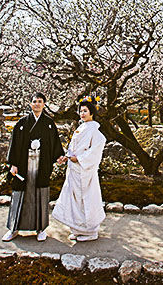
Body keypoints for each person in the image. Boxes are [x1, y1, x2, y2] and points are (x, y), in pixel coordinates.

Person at [2, 92, 64, 242]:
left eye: (40, 101)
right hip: (23, 163)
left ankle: (40, 229)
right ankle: (14, 228)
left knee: (40, 194)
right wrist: (13, 163)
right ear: (30, 104)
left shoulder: (49, 124)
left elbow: (55, 143)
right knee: (19, 194)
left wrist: (59, 156)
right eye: (34, 101)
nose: (37, 104)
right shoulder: (22, 123)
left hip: (41, 164)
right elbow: (14, 144)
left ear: (44, 104)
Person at [52, 96, 106, 241]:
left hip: (85, 171)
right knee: (74, 199)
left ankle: (90, 231)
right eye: (81, 111)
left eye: (85, 111)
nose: (82, 114)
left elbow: (97, 148)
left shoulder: (95, 130)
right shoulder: (81, 128)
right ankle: (77, 228)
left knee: (86, 199)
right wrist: (67, 157)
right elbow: (73, 149)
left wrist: (80, 159)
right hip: (74, 170)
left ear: (92, 113)